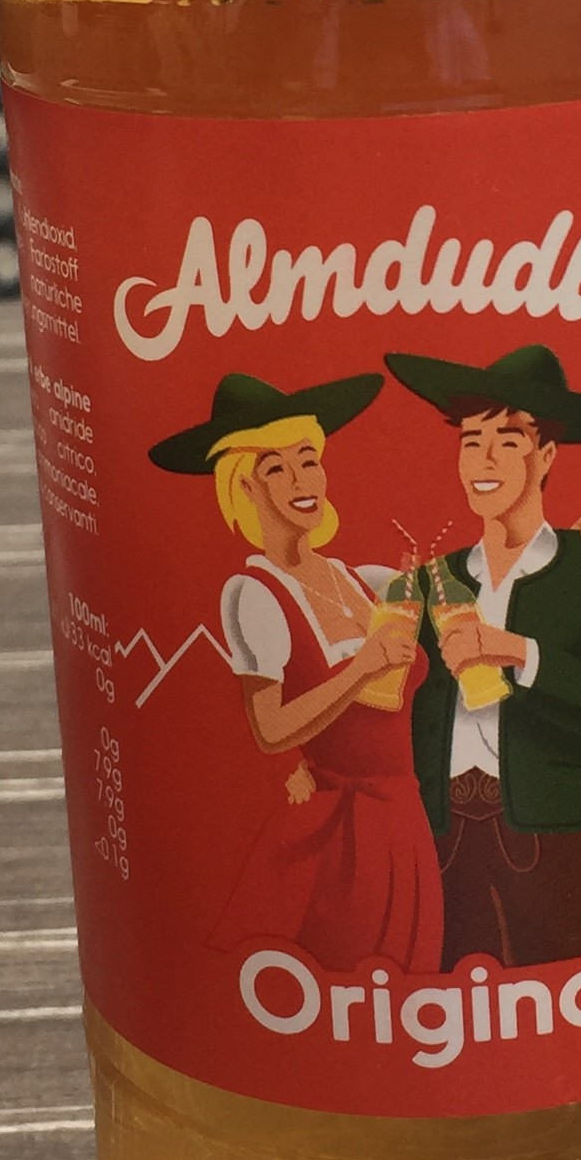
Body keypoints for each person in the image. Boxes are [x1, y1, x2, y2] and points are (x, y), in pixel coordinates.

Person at [149, 369, 442, 973]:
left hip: (403, 820)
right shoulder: (254, 594)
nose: (301, 481)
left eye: (308, 461)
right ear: (244, 488)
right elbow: (270, 729)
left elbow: (454, 587)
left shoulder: (363, 580)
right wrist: (359, 671)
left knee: (406, 977)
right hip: (338, 836)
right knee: (347, 979)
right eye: (275, 469)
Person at [383, 341, 581, 972]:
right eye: (470, 441)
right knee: (444, 994)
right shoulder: (429, 582)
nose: (483, 460)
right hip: (444, 838)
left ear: (547, 455)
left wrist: (518, 653)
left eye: (507, 441)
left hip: (556, 834)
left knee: (577, 981)